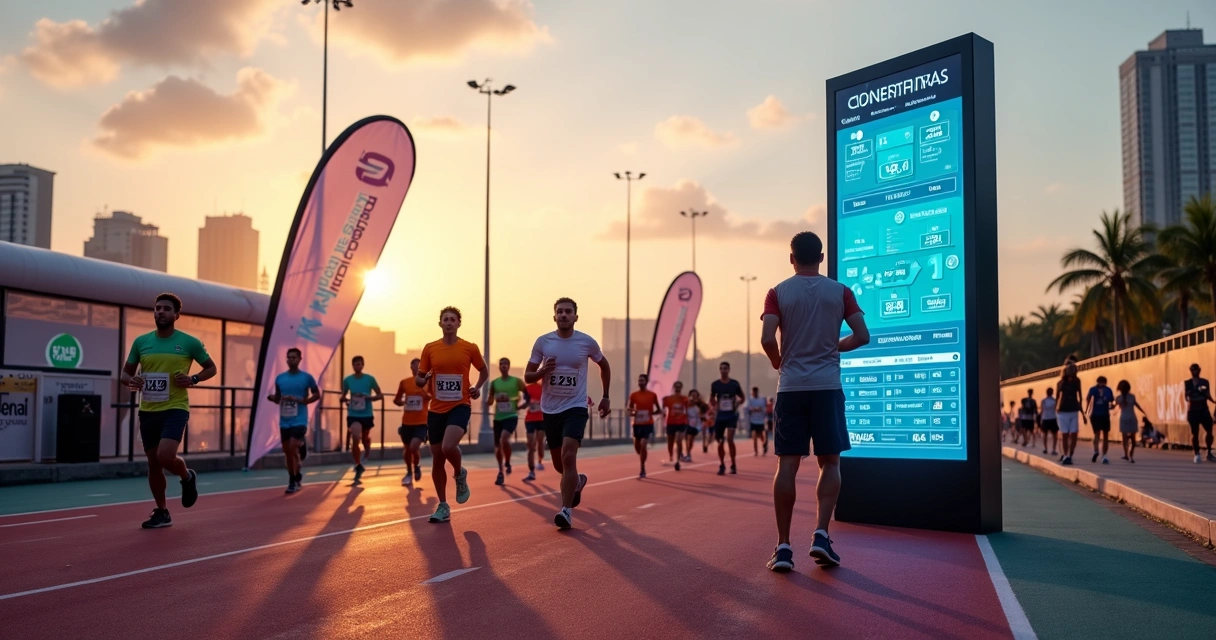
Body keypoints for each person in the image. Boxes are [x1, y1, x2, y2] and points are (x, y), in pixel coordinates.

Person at [761, 231, 869, 572]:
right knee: (831, 463)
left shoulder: (777, 292)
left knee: (787, 466)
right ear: (821, 257)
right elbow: (863, 336)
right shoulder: (840, 291)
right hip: (827, 387)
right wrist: (834, 345)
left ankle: (782, 547)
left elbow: (767, 338)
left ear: (791, 258)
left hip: (791, 387)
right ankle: (821, 533)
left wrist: (779, 361)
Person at [120, 293, 216, 528]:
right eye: (157, 308)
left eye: (165, 309)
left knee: (165, 456)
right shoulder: (141, 342)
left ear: (176, 315)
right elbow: (124, 374)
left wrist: (193, 378)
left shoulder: (189, 342)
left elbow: (211, 368)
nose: (160, 312)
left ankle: (186, 476)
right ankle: (162, 511)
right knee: (154, 464)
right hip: (148, 409)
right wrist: (133, 381)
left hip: (175, 407)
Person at [525, 298, 612, 530]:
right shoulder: (543, 342)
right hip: (550, 409)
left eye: (568, 312)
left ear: (576, 316)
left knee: (568, 455)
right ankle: (577, 480)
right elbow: (528, 376)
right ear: (554, 317)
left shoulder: (586, 342)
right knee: (558, 464)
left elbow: (604, 366)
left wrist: (605, 396)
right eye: (560, 312)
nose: (564, 315)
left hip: (576, 406)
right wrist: (543, 371)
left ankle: (566, 510)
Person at [418, 307, 488, 523]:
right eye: (445, 319)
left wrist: (476, 387)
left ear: (459, 324)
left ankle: (459, 473)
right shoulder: (430, 349)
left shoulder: (469, 348)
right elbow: (419, 381)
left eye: (453, 319)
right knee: (438, 458)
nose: (449, 322)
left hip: (460, 405)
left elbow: (483, 370)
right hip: (436, 410)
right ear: (440, 324)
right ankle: (443, 505)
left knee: (449, 447)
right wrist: (426, 376)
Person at [268, 347, 321, 494]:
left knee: (291, 448)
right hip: (285, 420)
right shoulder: (280, 378)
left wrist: (304, 401)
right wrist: (273, 398)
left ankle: (292, 481)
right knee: (289, 452)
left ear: (299, 359)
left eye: (293, 357)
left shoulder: (307, 378)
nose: (290, 360)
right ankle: (296, 475)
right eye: (288, 357)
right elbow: (278, 398)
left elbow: (317, 394)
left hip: (300, 419)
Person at [341, 355, 383, 485]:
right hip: (353, 414)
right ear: (352, 366)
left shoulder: (370, 379)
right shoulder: (347, 380)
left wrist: (367, 398)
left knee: (364, 438)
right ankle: (357, 464)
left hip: (366, 414)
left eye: (359, 364)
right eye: (355, 364)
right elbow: (343, 396)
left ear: (363, 365)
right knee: (355, 436)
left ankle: (367, 446)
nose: (357, 366)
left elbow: (380, 395)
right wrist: (346, 401)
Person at [489, 358, 528, 486]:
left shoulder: (516, 382)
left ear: (508, 366)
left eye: (505, 364)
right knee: (497, 446)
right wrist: (486, 402)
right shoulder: (494, 383)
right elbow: (490, 400)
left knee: (504, 439)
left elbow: (527, 395)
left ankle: (508, 461)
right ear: (499, 367)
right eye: (501, 364)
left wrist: (523, 405)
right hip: (498, 417)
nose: (503, 366)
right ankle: (501, 470)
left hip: (511, 415)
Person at [393, 358, 430, 487]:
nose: (417, 368)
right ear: (411, 367)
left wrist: (426, 395)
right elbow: (396, 400)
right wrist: (403, 402)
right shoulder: (405, 382)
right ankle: (409, 472)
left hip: (421, 421)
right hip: (407, 422)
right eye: (415, 366)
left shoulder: (427, 383)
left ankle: (417, 465)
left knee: (414, 447)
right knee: (408, 450)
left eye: (420, 367)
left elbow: (432, 397)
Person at [710, 362, 746, 476]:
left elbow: (743, 397)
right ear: (719, 370)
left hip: (731, 415)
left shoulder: (734, 384)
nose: (723, 370)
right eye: (721, 368)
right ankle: (722, 464)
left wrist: (737, 404)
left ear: (729, 369)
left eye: (725, 368)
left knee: (730, 439)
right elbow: (711, 399)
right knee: (720, 441)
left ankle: (733, 464)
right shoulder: (715, 384)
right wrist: (715, 405)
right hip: (720, 416)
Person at [628, 374, 661, 478]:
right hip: (637, 424)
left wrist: (651, 414)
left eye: (642, 380)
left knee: (643, 444)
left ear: (646, 382)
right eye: (639, 380)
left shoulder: (652, 395)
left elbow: (658, 409)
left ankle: (642, 468)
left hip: (648, 423)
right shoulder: (633, 395)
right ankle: (643, 455)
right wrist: (633, 412)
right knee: (638, 448)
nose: (641, 382)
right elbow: (630, 409)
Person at [1184, 363, 1215, 463]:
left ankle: (1209, 452)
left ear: (1199, 370)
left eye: (1196, 370)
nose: (1195, 372)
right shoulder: (1187, 383)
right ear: (1191, 371)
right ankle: (1196, 454)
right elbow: (1186, 397)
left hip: (1203, 409)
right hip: (1193, 410)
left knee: (1210, 431)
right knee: (1195, 433)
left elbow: (1207, 394)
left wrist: (1213, 401)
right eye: (1193, 370)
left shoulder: (1205, 382)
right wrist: (1191, 393)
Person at [1055, 362, 1084, 465]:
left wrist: (1082, 412)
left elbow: (1080, 396)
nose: (1072, 376)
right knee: (1065, 434)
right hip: (1062, 410)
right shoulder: (1061, 383)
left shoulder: (1077, 381)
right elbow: (1058, 397)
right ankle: (1066, 455)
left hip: (1073, 410)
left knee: (1074, 434)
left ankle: (1070, 455)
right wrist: (1056, 409)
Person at [1085, 376, 1114, 464]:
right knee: (1105, 435)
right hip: (1104, 414)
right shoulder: (1108, 390)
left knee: (1096, 434)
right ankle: (1104, 455)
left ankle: (1095, 451)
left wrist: (1086, 410)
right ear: (1105, 382)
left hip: (1095, 414)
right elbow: (1111, 401)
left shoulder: (1092, 389)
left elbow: (1088, 399)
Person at [1114, 380, 1144, 463]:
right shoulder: (1132, 397)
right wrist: (1143, 411)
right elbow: (1137, 405)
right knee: (1133, 438)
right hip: (1132, 417)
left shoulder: (1118, 398)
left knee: (1124, 438)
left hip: (1123, 418)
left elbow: (1113, 407)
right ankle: (1131, 454)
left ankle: (1126, 454)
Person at [662, 381, 690, 470]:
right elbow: (663, 407)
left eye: (679, 387)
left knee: (678, 441)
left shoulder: (685, 399)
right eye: (676, 387)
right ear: (674, 388)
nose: (678, 388)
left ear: (681, 388)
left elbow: (688, 408)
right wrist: (663, 412)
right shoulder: (668, 399)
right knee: (670, 442)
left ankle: (677, 461)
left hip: (682, 422)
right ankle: (671, 455)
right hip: (670, 422)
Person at [522, 379, 547, 481]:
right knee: (530, 444)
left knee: (540, 442)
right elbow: (525, 402)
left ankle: (540, 460)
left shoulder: (544, 388)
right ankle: (531, 471)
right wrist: (521, 405)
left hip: (541, 419)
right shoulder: (527, 388)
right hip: (530, 419)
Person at [685, 389, 708, 462]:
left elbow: (705, 414)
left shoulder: (701, 405)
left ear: (698, 396)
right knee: (686, 438)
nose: (693, 397)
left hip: (696, 425)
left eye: (695, 395)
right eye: (692, 395)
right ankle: (687, 453)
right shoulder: (686, 403)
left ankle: (689, 452)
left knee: (690, 439)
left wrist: (702, 417)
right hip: (686, 423)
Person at [747, 387, 770, 456]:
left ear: (757, 392)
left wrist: (759, 409)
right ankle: (756, 451)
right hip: (753, 421)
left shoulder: (761, 400)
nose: (754, 393)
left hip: (760, 421)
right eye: (753, 392)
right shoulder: (750, 400)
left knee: (761, 436)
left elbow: (764, 409)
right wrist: (753, 409)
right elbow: (747, 408)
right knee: (754, 436)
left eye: (755, 392)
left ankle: (764, 445)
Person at [1040, 387, 1059, 456]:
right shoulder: (1054, 400)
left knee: (1045, 434)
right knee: (1055, 435)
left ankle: (1045, 448)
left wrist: (1040, 419)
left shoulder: (1043, 401)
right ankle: (1053, 449)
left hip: (1045, 418)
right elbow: (1056, 409)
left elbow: (1042, 410)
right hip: (1053, 418)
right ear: (1052, 392)